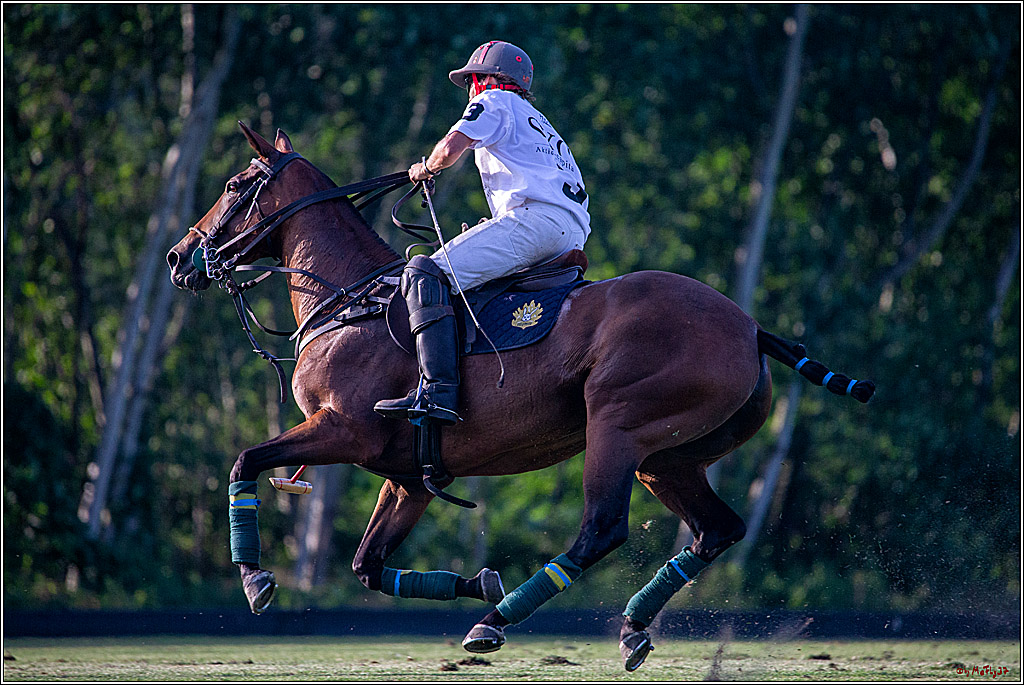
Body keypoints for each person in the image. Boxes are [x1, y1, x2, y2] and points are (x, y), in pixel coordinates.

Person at [374, 40, 591, 426]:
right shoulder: (539, 121)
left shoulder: (494, 100)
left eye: (473, 79)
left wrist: (425, 167)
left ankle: (438, 391)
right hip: (569, 233)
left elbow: (451, 148)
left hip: (536, 223)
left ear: (490, 79)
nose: (473, 88)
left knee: (426, 273)